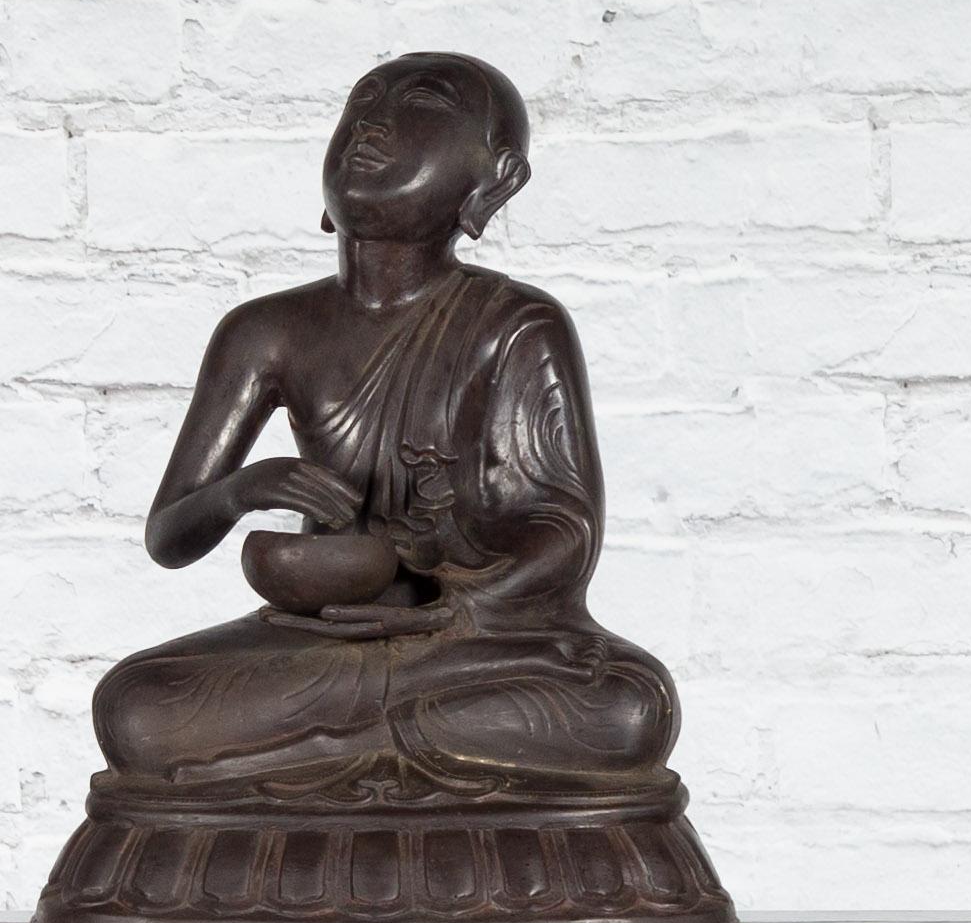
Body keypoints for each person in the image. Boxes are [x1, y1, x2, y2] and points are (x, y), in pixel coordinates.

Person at [97, 52, 683, 803]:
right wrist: (245, 488)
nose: (374, 122)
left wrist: (457, 599)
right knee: (137, 706)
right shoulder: (266, 331)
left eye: (423, 106)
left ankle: (311, 757)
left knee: (628, 706)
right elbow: (169, 537)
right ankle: (375, 749)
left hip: (472, 637)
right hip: (321, 637)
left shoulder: (514, 325)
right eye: (362, 102)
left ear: (494, 179)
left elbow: (565, 527)